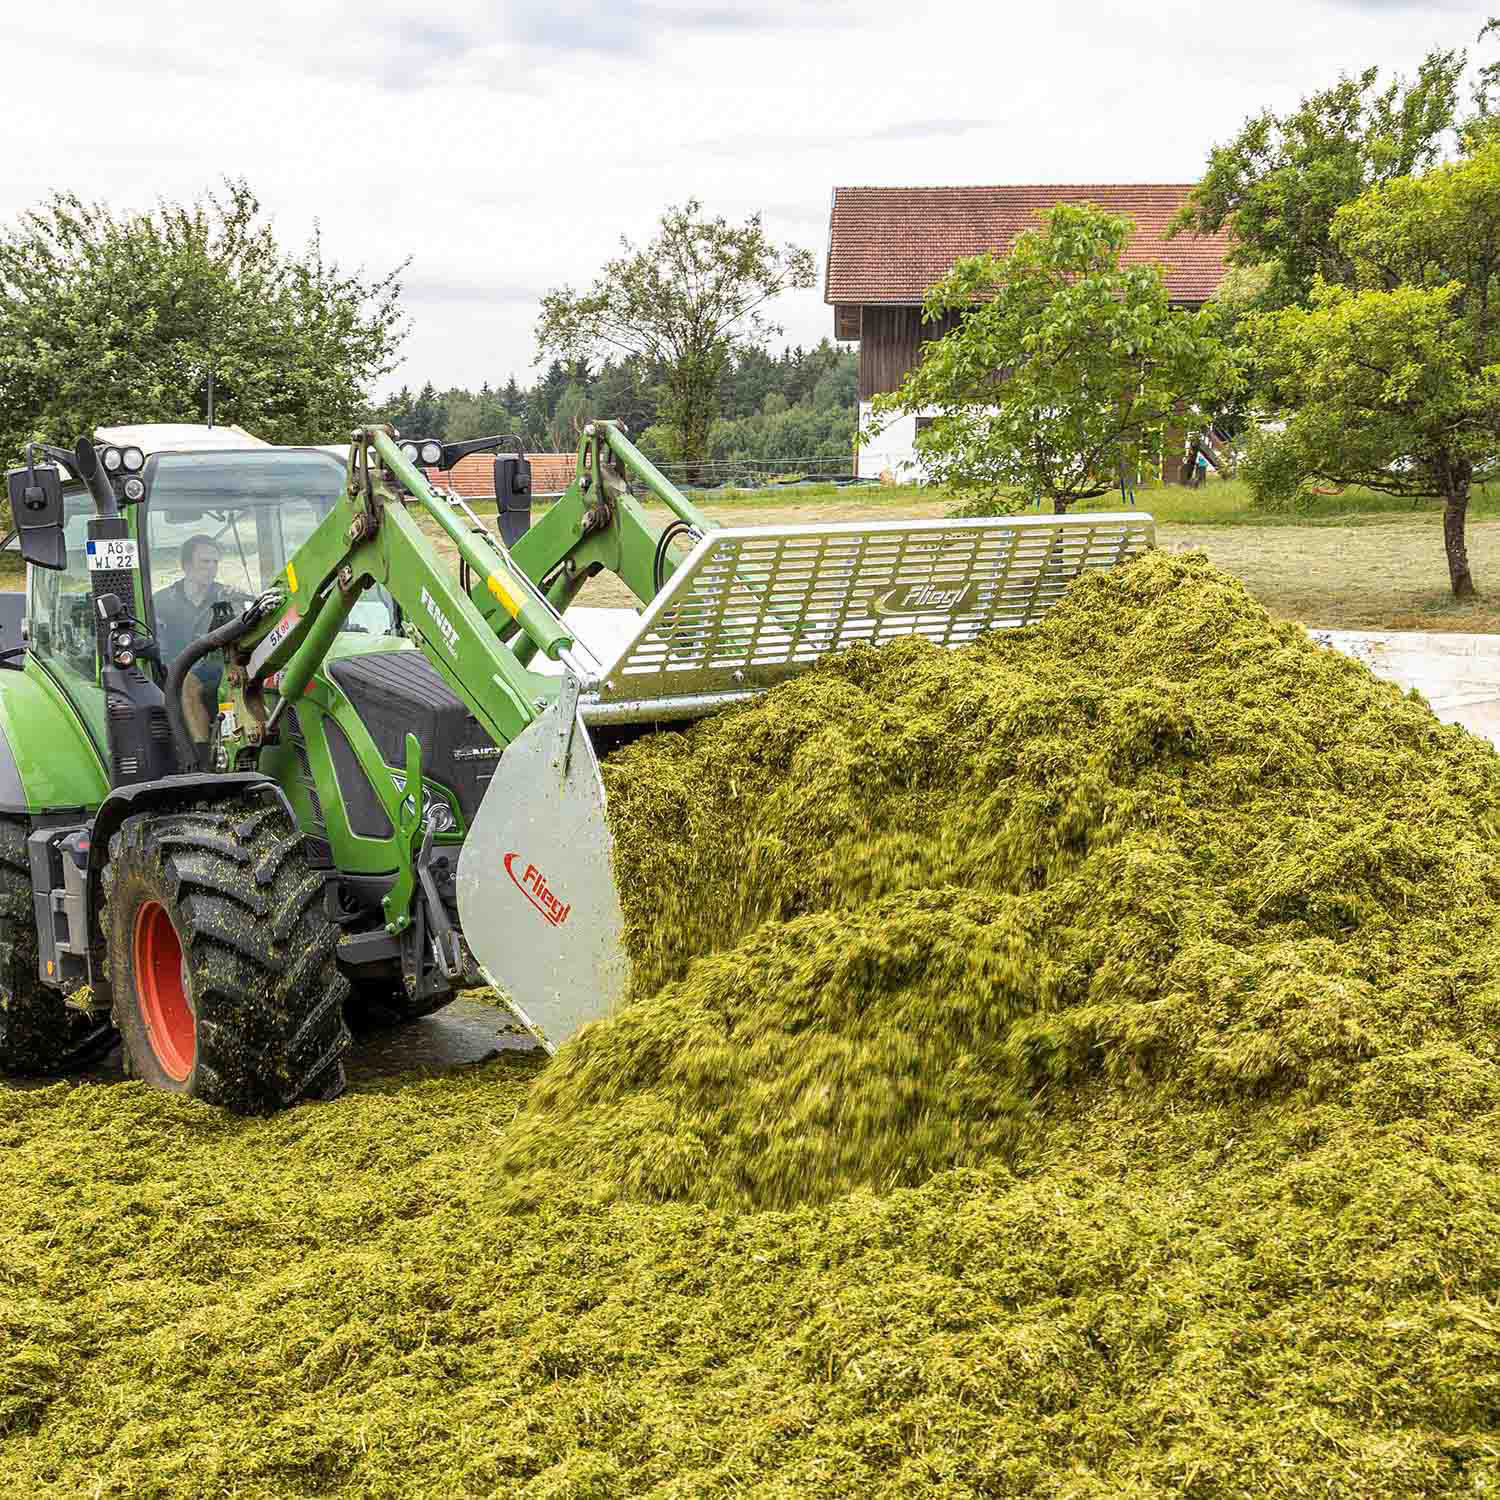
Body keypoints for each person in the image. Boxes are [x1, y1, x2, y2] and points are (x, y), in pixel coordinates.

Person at [151, 535, 241, 752]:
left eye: (215, 562)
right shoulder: (162, 602)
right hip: (179, 669)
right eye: (204, 562)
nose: (211, 568)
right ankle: (200, 755)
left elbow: (244, 635)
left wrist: (237, 608)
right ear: (186, 565)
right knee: (188, 682)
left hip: (218, 667)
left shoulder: (225, 596)